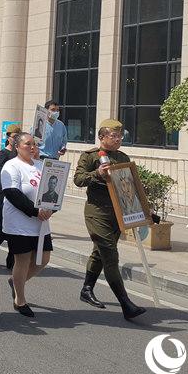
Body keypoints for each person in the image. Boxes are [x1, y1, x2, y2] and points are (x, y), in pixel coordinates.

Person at [74, 118, 146, 320]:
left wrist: (140, 210)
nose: (118, 139)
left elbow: (129, 185)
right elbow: (78, 180)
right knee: (110, 255)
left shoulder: (123, 156)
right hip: (97, 211)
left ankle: (86, 289)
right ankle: (126, 304)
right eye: (113, 135)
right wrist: (97, 173)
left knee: (100, 252)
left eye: (120, 136)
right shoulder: (90, 156)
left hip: (117, 212)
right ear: (102, 137)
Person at [0, 133, 54, 317]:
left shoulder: (41, 166)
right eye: (27, 144)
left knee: (43, 259)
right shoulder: (12, 165)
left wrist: (50, 210)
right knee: (22, 260)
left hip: (41, 223)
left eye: (34, 144)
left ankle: (15, 281)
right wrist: (34, 211)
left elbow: (53, 192)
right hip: (19, 222)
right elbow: (12, 193)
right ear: (17, 146)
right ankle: (20, 300)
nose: (32, 147)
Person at [0, 123, 22, 268]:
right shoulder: (3, 154)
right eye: (14, 137)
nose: (16, 140)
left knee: (15, 227)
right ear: (8, 137)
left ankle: (11, 256)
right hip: (3, 193)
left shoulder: (20, 154)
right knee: (1, 225)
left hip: (17, 193)